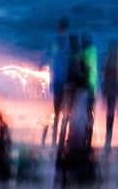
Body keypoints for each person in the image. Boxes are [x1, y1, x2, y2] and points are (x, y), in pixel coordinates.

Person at [102, 39, 118, 152]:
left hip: (111, 91)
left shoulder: (108, 62)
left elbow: (104, 80)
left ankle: (108, 143)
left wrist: (103, 93)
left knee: (111, 116)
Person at [49, 18, 70, 147]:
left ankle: (54, 138)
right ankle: (61, 138)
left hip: (57, 78)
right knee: (66, 110)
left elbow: (50, 55)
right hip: (65, 79)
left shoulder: (54, 39)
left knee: (57, 109)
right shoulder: (68, 42)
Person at [81, 31, 98, 149]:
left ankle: (87, 139)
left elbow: (87, 67)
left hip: (87, 87)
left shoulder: (87, 52)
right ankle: (88, 139)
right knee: (89, 113)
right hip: (91, 86)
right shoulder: (93, 51)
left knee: (86, 113)